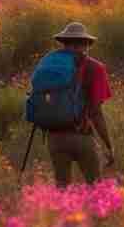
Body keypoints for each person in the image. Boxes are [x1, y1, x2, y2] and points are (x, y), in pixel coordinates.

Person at [46, 22, 115, 185]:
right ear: (87, 44)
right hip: (82, 137)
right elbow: (96, 113)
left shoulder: (50, 65)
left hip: (56, 137)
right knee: (96, 189)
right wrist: (108, 146)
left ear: (64, 43)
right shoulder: (96, 68)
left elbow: (41, 98)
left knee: (62, 190)